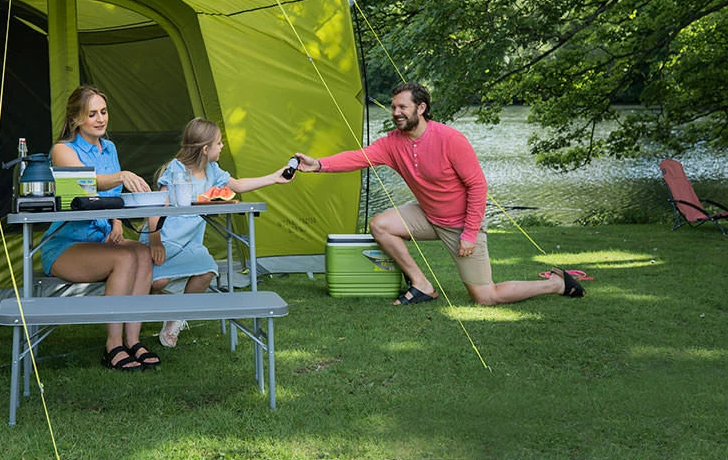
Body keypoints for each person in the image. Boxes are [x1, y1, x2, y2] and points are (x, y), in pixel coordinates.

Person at [295, 81, 586, 306]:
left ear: (421, 108)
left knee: (485, 297)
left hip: (461, 224)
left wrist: (469, 234)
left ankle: (556, 284)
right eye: (393, 107)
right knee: (380, 225)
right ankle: (421, 284)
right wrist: (318, 164)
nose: (396, 112)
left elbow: (477, 186)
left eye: (402, 107)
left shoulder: (450, 139)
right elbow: (358, 157)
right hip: (427, 216)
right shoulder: (392, 143)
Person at [40, 84, 161, 371]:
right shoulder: (62, 150)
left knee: (142, 254)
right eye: (92, 113)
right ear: (76, 119)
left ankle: (133, 340)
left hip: (102, 237)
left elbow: (113, 196)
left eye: (103, 112)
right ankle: (112, 345)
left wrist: (116, 222)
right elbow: (86, 183)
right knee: (124, 258)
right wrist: (121, 175)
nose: (100, 119)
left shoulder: (110, 148)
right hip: (67, 243)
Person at [142, 117, 293, 347]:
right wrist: (155, 241)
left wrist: (274, 178)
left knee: (208, 271)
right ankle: (164, 307)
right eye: (219, 143)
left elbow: (238, 185)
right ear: (205, 149)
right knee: (158, 283)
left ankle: (176, 318)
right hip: (164, 237)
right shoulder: (176, 169)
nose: (222, 146)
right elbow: (157, 207)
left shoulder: (212, 170)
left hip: (191, 242)